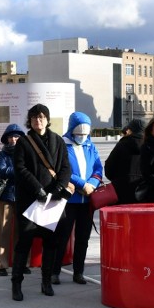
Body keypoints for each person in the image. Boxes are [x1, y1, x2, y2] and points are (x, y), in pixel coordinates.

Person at [11, 103, 71, 301]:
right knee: (24, 241)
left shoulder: (58, 141)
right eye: (35, 117)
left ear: (47, 119)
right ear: (30, 121)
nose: (38, 120)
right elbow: (20, 169)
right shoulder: (24, 142)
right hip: (30, 200)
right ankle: (16, 284)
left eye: (42, 117)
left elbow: (65, 168)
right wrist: (38, 189)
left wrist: (56, 190)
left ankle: (46, 282)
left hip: (52, 200)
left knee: (51, 242)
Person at [53, 112, 103, 285]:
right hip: (69, 201)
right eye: (78, 133)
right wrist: (82, 184)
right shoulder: (62, 145)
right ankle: (54, 271)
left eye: (84, 134)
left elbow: (98, 169)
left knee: (83, 238)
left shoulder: (91, 146)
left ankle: (78, 272)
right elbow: (62, 169)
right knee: (62, 237)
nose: (81, 137)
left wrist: (92, 185)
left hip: (87, 201)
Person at [0, 124, 24, 276]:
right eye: (11, 136)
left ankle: (21, 262)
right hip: (6, 196)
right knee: (4, 231)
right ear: (6, 139)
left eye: (17, 136)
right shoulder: (3, 154)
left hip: (23, 195)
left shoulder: (26, 152)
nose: (14, 139)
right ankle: (1, 264)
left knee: (22, 231)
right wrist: (19, 170)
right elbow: (1, 171)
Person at [104, 118, 146, 204]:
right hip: (143, 192)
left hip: (120, 191)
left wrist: (118, 179)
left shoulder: (122, 145)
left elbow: (109, 168)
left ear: (131, 130)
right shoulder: (150, 146)